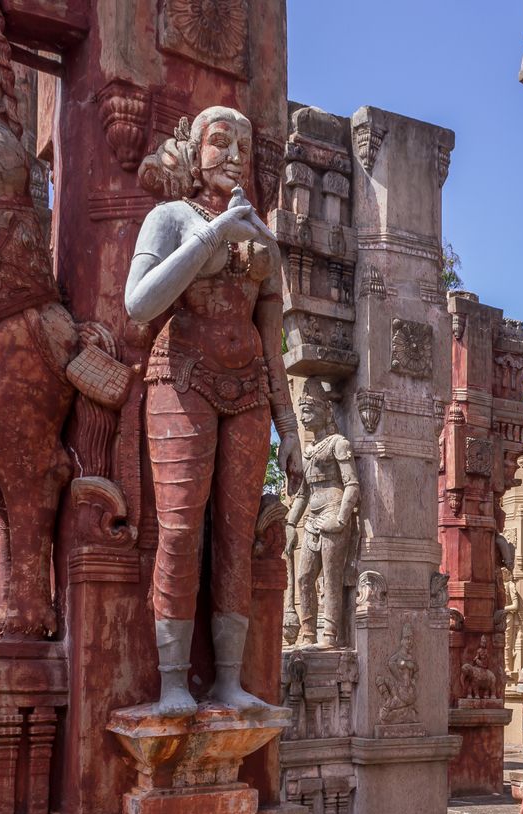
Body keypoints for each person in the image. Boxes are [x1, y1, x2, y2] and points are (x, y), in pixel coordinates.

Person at [126, 106, 303, 715]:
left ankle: (228, 679)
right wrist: (212, 235)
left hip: (250, 388)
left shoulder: (264, 242)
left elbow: (275, 352)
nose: (232, 155)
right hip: (182, 378)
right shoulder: (170, 217)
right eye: (219, 142)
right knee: (178, 531)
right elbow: (140, 303)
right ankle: (173, 681)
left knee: (236, 536)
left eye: (242, 147)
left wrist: (293, 436)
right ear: (193, 148)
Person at [285, 377, 359, 649]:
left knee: (331, 577)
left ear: (325, 412)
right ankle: (307, 634)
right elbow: (302, 494)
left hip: (333, 513)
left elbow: (352, 484)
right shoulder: (307, 452)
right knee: (304, 577)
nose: (304, 417)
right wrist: (291, 523)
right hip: (313, 518)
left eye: (309, 411)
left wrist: (341, 518)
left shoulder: (338, 443)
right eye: (302, 411)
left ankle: (329, 636)